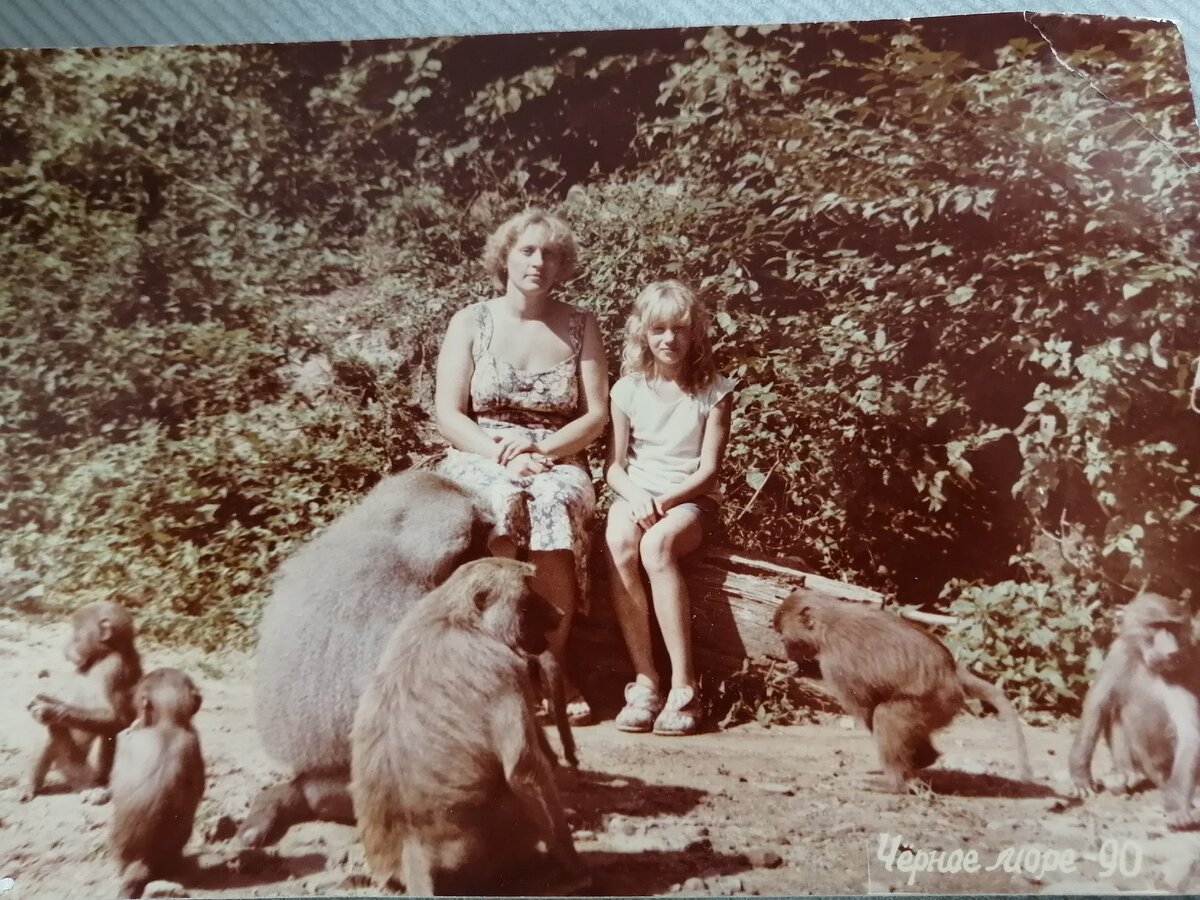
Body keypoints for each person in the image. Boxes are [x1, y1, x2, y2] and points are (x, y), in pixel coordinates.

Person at [435, 209, 608, 725]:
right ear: (504, 256)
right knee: (501, 498)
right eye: (528, 250)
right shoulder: (471, 320)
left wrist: (543, 453)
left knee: (555, 501)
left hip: (556, 452)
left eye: (550, 253)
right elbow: (448, 413)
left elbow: (596, 414)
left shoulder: (581, 324)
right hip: (482, 448)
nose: (539, 261)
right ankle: (505, 666)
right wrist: (500, 453)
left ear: (563, 264)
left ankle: (552, 666)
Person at [603, 280, 736, 736]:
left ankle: (685, 685)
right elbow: (615, 468)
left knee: (657, 545)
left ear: (694, 332)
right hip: (637, 493)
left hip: (690, 501)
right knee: (620, 540)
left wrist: (667, 500)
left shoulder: (714, 391)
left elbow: (708, 472)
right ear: (643, 332)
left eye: (679, 329)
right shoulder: (626, 390)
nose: (669, 340)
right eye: (658, 329)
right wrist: (638, 497)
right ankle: (646, 681)